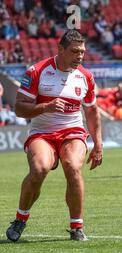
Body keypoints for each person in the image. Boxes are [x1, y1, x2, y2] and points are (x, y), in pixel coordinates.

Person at [5, 30, 103, 242]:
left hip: (73, 131)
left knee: (73, 167)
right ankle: (21, 218)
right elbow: (19, 109)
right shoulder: (37, 71)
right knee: (39, 169)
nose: (80, 56)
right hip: (42, 133)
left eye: (83, 52)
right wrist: (47, 106)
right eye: (75, 51)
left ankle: (77, 227)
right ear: (60, 49)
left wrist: (98, 144)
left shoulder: (85, 76)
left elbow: (92, 112)